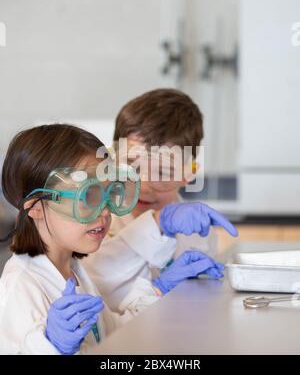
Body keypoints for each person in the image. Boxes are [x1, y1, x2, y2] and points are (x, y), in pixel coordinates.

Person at [0, 124, 231, 354]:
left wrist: (159, 290)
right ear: (35, 207)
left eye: (108, 193)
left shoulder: (74, 271)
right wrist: (50, 346)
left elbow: (113, 336)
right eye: (88, 195)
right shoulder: (21, 284)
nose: (104, 211)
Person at [83, 89, 238, 311]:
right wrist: (156, 224)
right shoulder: (94, 220)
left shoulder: (197, 231)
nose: (143, 186)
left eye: (163, 172)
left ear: (188, 173)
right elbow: (93, 282)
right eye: (132, 166)